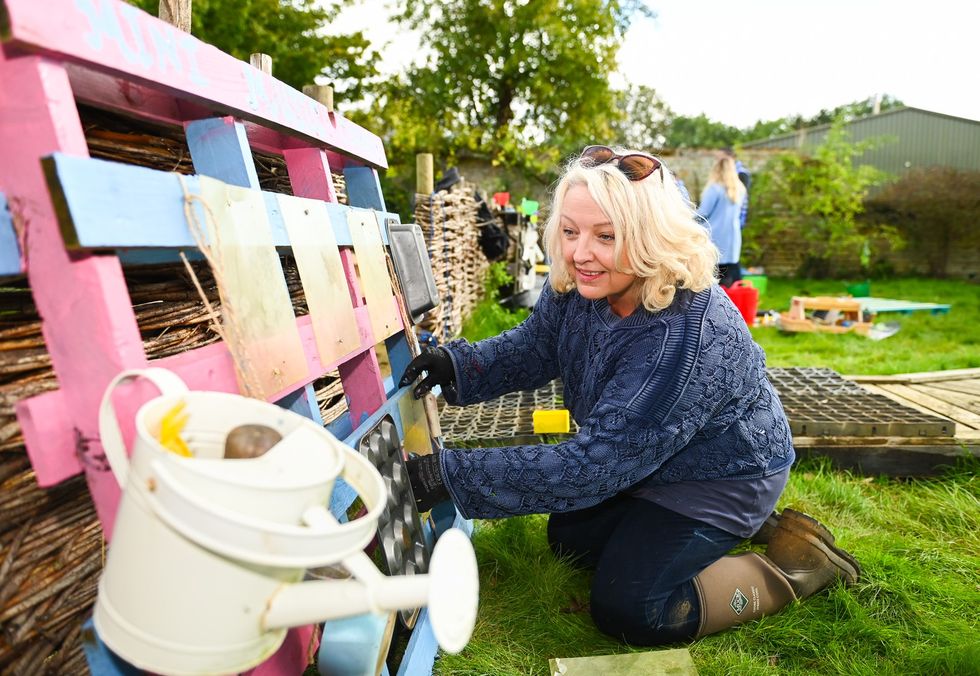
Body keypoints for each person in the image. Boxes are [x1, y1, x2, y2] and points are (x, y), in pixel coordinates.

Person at [399, 145, 860, 646]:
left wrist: (448, 475)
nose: (579, 253)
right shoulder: (584, 281)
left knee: (629, 607)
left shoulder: (682, 337)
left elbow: (596, 464)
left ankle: (792, 568)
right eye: (570, 232)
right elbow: (535, 345)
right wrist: (458, 365)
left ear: (649, 237)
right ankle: (714, 533)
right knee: (568, 542)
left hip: (721, 475)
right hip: (646, 458)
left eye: (606, 235)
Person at [699, 155, 745, 287]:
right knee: (731, 275)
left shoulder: (714, 189)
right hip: (732, 237)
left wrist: (685, 217)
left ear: (716, 169)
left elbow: (703, 213)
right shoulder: (739, 189)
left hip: (715, 237)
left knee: (712, 279)